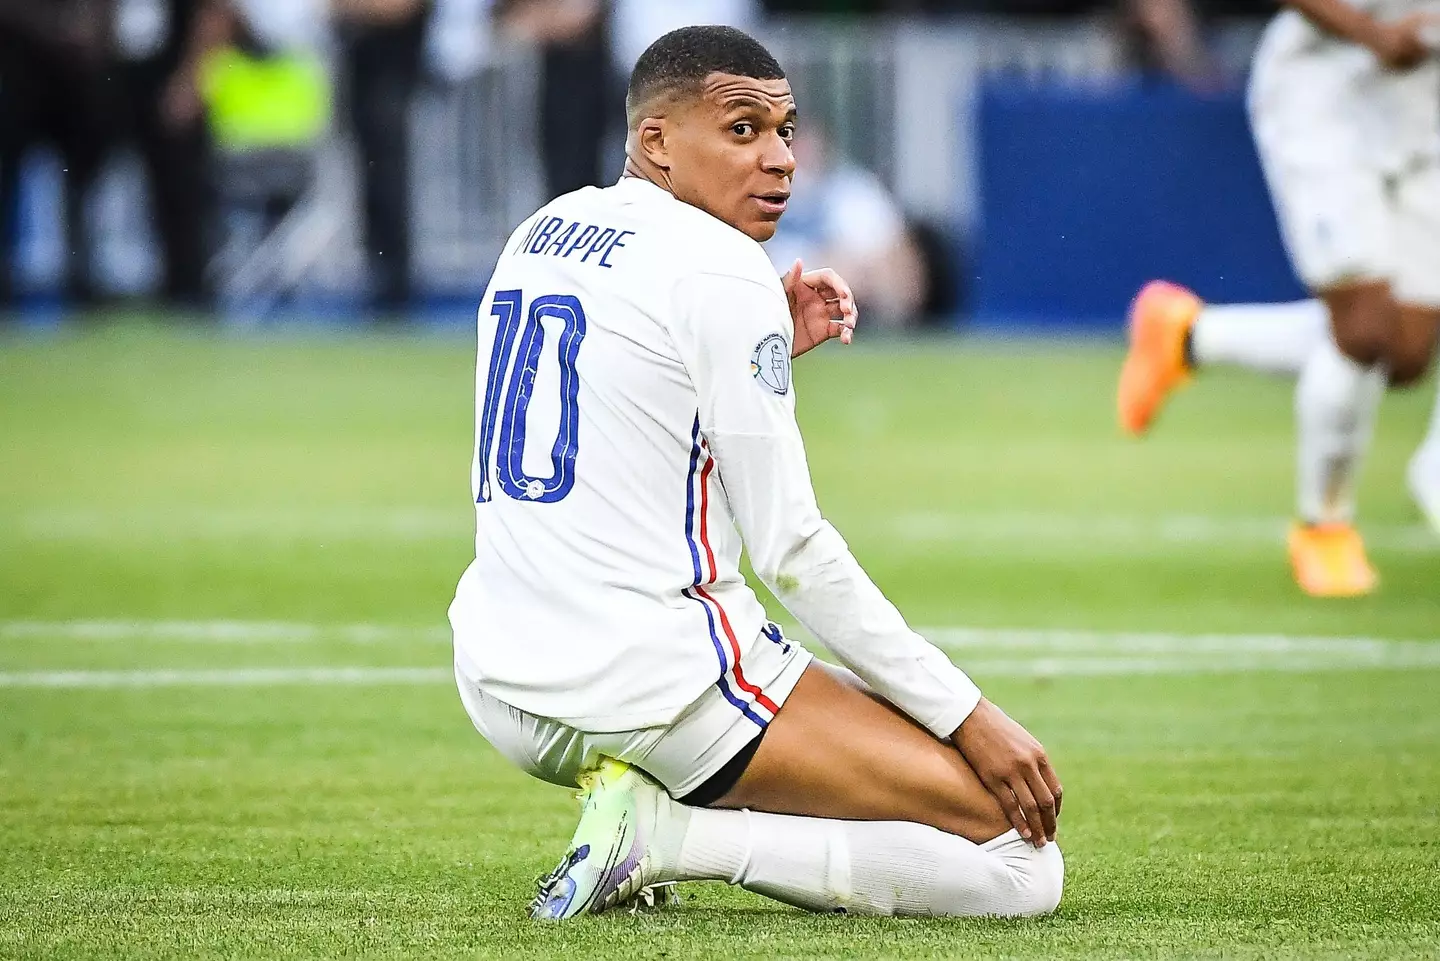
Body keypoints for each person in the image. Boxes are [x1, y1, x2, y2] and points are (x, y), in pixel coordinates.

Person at [448, 25, 1065, 920]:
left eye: (784, 130)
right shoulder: (722, 268)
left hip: (499, 675)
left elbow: (624, 394)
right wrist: (970, 713)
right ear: (655, 141)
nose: (779, 159)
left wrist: (757, 344)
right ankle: (669, 839)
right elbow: (794, 553)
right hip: (654, 686)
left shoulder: (544, 228)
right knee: (1021, 862)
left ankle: (649, 816)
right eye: (743, 130)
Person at [1116, 0, 1440, 597]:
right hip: (1328, 87)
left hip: (1426, 103)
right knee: (1365, 332)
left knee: (1408, 353)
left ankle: (1187, 336)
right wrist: (1371, 35)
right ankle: (1324, 527)